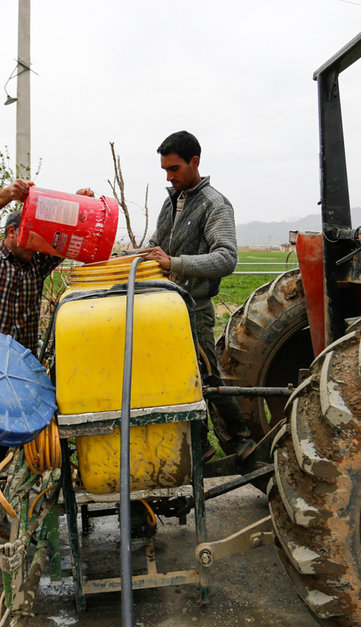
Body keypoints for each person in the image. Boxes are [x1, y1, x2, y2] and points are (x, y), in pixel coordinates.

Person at [0, 179, 94, 555]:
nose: (39, 243)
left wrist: (76, 206)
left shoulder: (37, 267)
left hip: (12, 380)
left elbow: (67, 240)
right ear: (12, 232)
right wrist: (9, 196)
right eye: (32, 233)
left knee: (2, 456)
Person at [142, 130, 256, 460]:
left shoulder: (214, 205)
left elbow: (226, 258)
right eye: (165, 170)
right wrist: (130, 256)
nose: (169, 176)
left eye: (174, 169)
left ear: (195, 163)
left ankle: (239, 440)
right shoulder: (172, 201)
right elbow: (156, 245)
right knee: (179, 378)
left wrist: (174, 262)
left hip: (195, 308)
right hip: (168, 307)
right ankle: (200, 446)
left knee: (207, 375)